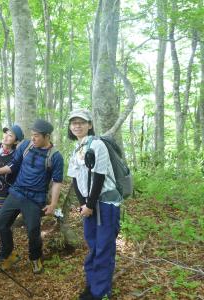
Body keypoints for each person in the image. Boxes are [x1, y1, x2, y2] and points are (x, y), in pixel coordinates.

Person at [0, 119, 64, 274]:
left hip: (35, 199)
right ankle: (8, 254)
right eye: (32, 135)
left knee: (33, 231)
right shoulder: (26, 145)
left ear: (47, 136)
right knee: (1, 224)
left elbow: (57, 182)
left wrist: (53, 204)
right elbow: (13, 165)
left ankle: (35, 258)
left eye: (36, 135)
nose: (33, 138)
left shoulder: (55, 157)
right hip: (16, 192)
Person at [67, 109, 121, 300]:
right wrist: (83, 204)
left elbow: (99, 176)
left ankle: (101, 293)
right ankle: (92, 286)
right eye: (73, 122)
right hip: (89, 206)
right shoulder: (76, 148)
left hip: (105, 203)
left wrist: (89, 204)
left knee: (104, 247)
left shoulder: (97, 144)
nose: (77, 125)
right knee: (93, 245)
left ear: (89, 125)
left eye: (81, 122)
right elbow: (74, 178)